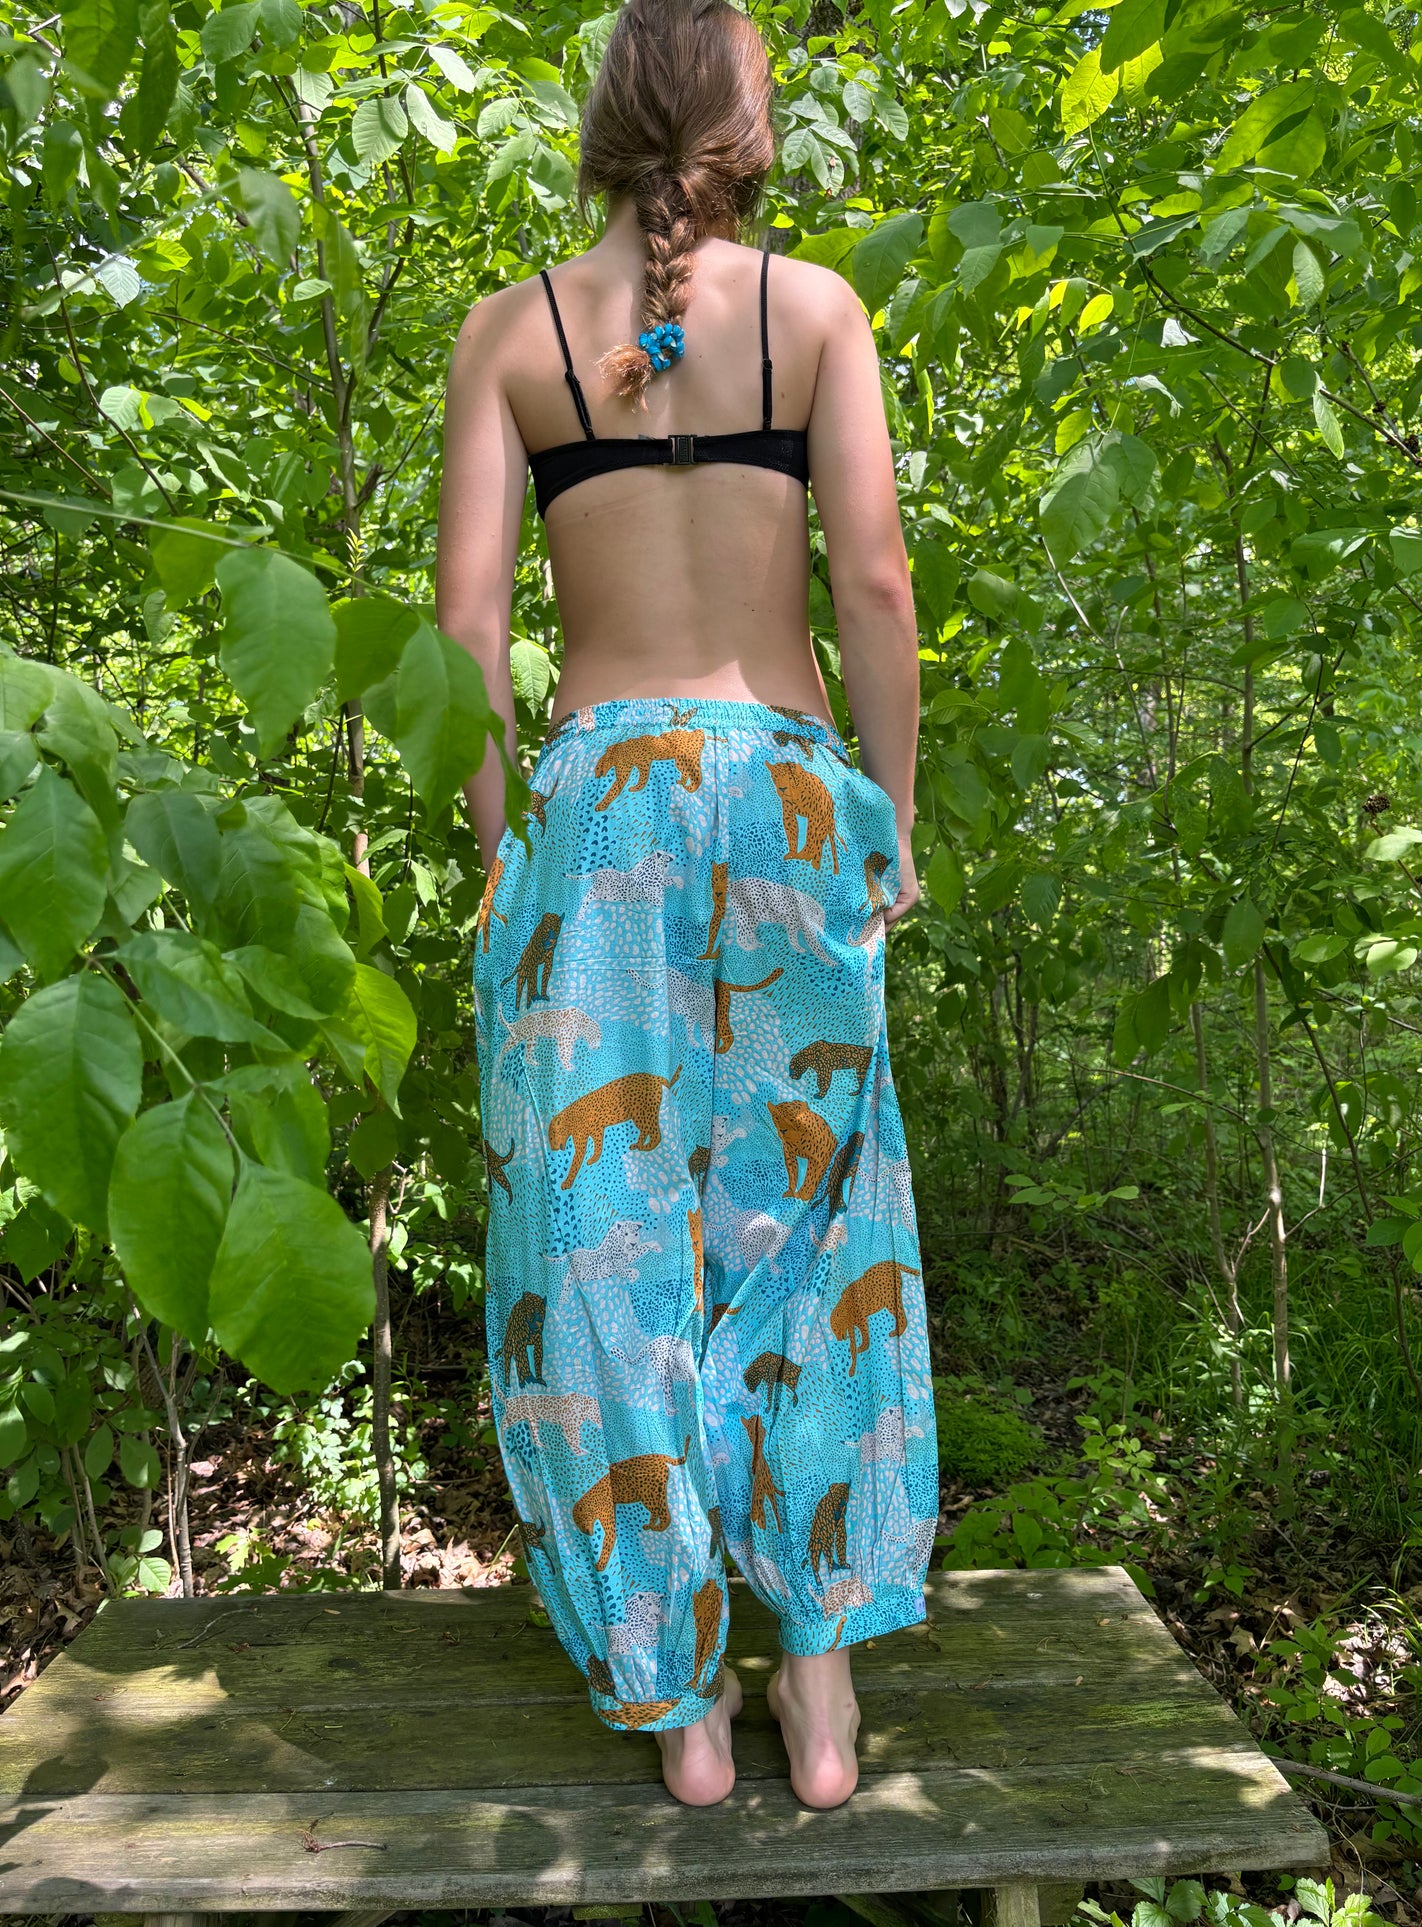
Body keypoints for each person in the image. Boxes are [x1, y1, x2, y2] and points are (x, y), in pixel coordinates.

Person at [436, 0, 938, 1812]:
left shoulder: (511, 335)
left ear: (601, 119)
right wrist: (888, 815)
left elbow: (464, 640)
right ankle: (817, 1690)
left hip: (597, 810)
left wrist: (504, 847)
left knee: (605, 1238)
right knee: (810, 1227)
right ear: (740, 123)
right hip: (786, 784)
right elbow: (869, 578)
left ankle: (679, 1700)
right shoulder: (810, 314)